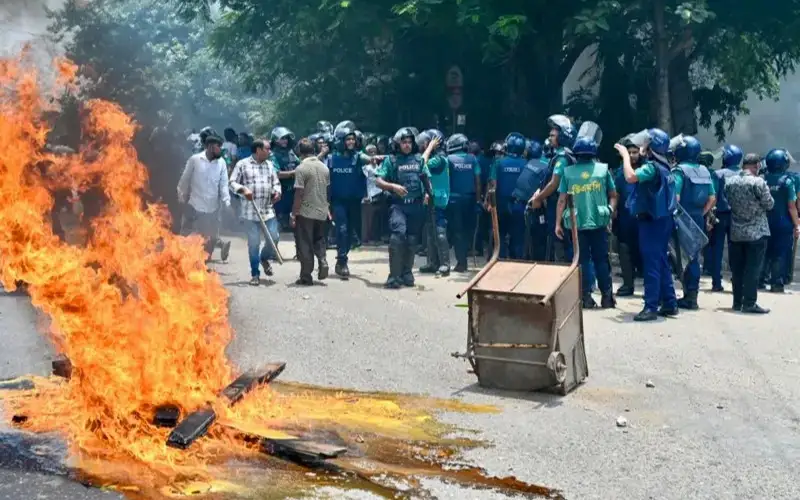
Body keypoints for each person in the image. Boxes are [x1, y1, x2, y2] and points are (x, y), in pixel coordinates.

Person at [615, 129, 679, 322]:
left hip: (651, 221)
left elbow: (631, 177)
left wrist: (625, 156)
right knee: (660, 260)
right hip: (662, 220)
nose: (641, 147)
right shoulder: (664, 165)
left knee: (651, 262)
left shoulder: (652, 167)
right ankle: (669, 302)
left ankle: (650, 306)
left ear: (651, 147)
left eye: (644, 144)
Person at [555, 122, 617, 309]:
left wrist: (557, 223)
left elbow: (561, 200)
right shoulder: (603, 170)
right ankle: (607, 297)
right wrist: (610, 212)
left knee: (581, 260)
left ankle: (585, 297)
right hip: (599, 222)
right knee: (601, 260)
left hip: (576, 224)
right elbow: (613, 195)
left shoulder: (568, 172)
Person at [375, 127, 432, 289]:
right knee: (397, 237)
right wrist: (393, 186)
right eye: (403, 142)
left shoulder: (419, 160)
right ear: (397, 144)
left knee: (412, 239)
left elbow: (426, 178)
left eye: (409, 142)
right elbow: (378, 181)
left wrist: (428, 193)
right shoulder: (391, 160)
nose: (407, 145)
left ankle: (407, 273)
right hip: (398, 206)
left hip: (416, 205)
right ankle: (394, 275)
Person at [724, 153, 773, 313]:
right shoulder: (758, 182)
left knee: (737, 270)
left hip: (736, 232)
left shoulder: (730, 182)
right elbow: (769, 204)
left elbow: (728, 200)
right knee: (753, 269)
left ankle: (737, 302)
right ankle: (750, 303)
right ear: (756, 165)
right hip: (756, 232)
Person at [229, 138, 282, 286]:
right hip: (250, 212)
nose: (269, 151)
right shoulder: (242, 164)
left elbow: (276, 183)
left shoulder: (270, 165)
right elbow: (232, 182)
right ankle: (255, 273)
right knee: (254, 243)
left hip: (267, 210)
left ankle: (264, 258)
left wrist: (277, 192)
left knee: (274, 238)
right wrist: (243, 190)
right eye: (267, 148)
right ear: (258, 150)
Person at [672, 135, 716, 310]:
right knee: (694, 258)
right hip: (698, 217)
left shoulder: (678, 171)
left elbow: (675, 198)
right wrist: (702, 213)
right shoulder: (705, 171)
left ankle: (685, 296)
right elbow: (712, 198)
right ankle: (692, 295)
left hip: (681, 217)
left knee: (677, 256)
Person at [328, 122, 374, 278]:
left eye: (353, 139)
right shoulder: (332, 159)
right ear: (340, 141)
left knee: (353, 233)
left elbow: (371, 160)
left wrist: (376, 159)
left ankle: (342, 256)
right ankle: (342, 261)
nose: (351, 142)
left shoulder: (358, 157)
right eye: (348, 139)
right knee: (342, 230)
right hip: (338, 201)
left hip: (355, 201)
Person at [177, 133, 231, 262]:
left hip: (212, 208)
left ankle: (204, 266)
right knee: (188, 236)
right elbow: (184, 180)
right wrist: (181, 198)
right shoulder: (194, 160)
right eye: (219, 146)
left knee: (210, 239)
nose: (221, 149)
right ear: (211, 147)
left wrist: (227, 202)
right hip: (194, 205)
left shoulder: (221, 163)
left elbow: (224, 184)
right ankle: (183, 262)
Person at [531, 115, 578, 262]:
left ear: (562, 137)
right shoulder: (559, 155)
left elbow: (554, 183)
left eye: (553, 135)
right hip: (556, 204)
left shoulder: (563, 157)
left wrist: (538, 198)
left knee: (560, 241)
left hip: (559, 205)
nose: (550, 138)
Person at [291, 138, 331, 286]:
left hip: (306, 212)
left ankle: (306, 276)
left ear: (300, 152)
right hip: (322, 211)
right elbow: (327, 190)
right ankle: (322, 259)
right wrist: (328, 209)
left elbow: (299, 194)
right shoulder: (324, 168)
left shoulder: (301, 169)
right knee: (319, 239)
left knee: (305, 243)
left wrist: (294, 214)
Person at [761, 148, 800, 293]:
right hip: (783, 222)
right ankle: (777, 283)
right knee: (780, 253)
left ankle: (760, 280)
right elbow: (791, 206)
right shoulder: (787, 181)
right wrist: (797, 224)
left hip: (764, 221)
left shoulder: (762, 179)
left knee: (764, 251)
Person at [707, 144, 742, 291]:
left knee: (718, 249)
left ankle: (716, 282)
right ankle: (737, 281)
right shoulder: (743, 174)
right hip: (738, 217)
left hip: (721, 215)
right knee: (737, 250)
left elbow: (713, 197)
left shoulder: (718, 174)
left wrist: (708, 215)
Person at [489, 132, 527, 259]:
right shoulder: (526, 163)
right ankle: (517, 263)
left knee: (499, 234)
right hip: (520, 204)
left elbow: (493, 184)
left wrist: (489, 203)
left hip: (501, 204)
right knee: (518, 236)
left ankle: (500, 261)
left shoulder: (498, 162)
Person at [447, 133, 482, 271]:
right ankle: (464, 258)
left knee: (457, 231)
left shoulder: (448, 159)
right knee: (467, 229)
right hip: (470, 199)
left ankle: (461, 262)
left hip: (454, 199)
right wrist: (478, 200)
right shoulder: (473, 159)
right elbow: (478, 181)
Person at [418, 129, 451, 276]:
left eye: (427, 142)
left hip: (438, 199)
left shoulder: (440, 159)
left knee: (439, 232)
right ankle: (432, 262)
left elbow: (421, 163)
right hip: (431, 198)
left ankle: (445, 264)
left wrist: (430, 147)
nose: (423, 145)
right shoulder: (437, 157)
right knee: (430, 232)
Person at [612, 135, 642, 296]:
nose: (631, 155)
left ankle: (650, 288)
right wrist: (613, 213)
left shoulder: (646, 170)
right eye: (629, 152)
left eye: (635, 152)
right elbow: (615, 194)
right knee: (624, 251)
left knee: (644, 253)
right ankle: (628, 284)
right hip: (625, 219)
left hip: (643, 220)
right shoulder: (619, 172)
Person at [514, 139, 548, 261]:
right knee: (537, 238)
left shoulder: (528, 163)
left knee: (520, 237)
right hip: (532, 206)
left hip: (520, 203)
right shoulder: (545, 165)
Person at [270, 127, 300, 230]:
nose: (285, 141)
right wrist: (293, 173)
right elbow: (276, 174)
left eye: (286, 138)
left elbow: (300, 164)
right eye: (282, 138)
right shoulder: (272, 155)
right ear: (275, 140)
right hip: (280, 191)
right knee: (280, 221)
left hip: (293, 190)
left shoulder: (291, 153)